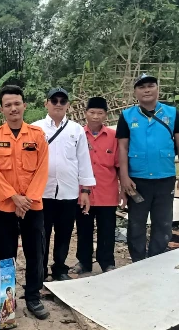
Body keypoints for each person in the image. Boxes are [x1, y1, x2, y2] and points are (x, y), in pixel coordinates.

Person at [0, 86, 50, 320]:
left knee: (35, 254)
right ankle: (6, 301)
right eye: (8, 105)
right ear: (2, 109)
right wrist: (14, 197)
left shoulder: (37, 135)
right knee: (5, 255)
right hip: (5, 207)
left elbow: (43, 169)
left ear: (24, 105)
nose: (13, 108)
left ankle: (33, 297)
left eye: (17, 103)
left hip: (32, 207)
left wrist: (27, 199)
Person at [116, 74, 179, 262]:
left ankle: (156, 258)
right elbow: (122, 148)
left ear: (158, 89)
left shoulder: (173, 113)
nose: (146, 90)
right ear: (135, 92)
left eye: (150, 86)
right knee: (136, 222)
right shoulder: (126, 116)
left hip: (165, 178)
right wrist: (124, 177)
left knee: (163, 222)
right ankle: (138, 261)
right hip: (137, 180)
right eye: (141, 87)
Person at [32, 88, 95, 281]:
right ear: (46, 103)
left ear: (68, 105)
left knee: (65, 234)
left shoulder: (76, 130)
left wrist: (85, 190)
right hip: (42, 192)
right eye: (54, 100)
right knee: (41, 235)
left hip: (68, 192)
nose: (58, 104)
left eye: (62, 101)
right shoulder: (35, 129)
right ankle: (39, 271)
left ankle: (59, 268)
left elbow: (83, 161)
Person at [70, 97, 120, 274]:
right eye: (92, 112)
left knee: (107, 229)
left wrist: (123, 190)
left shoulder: (114, 137)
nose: (96, 117)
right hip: (83, 193)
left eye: (100, 113)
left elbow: (119, 164)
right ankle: (84, 262)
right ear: (85, 114)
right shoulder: (77, 135)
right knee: (84, 229)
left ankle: (107, 262)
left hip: (108, 192)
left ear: (106, 115)